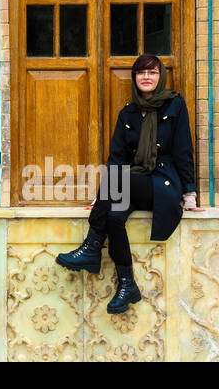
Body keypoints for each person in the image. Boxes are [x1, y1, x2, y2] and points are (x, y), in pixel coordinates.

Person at [55, 54, 196, 313]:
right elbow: (117, 157)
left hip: (163, 182)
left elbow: (183, 149)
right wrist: (103, 197)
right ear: (134, 78)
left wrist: (189, 193)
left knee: (119, 178)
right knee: (114, 217)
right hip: (133, 181)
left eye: (152, 72)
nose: (146, 77)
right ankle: (127, 285)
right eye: (141, 72)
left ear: (160, 76)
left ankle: (91, 247)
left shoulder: (174, 106)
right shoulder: (128, 113)